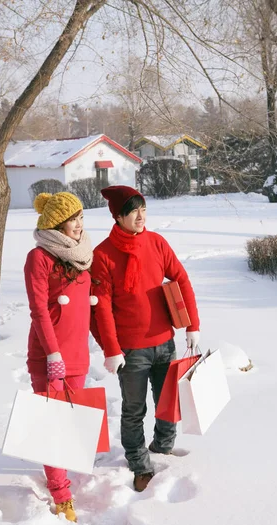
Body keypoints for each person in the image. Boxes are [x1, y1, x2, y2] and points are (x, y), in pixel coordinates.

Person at [91, 185, 200, 492]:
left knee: (168, 403)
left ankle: (163, 447)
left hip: (165, 340)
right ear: (118, 216)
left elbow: (181, 278)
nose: (140, 216)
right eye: (133, 211)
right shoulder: (102, 254)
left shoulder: (156, 242)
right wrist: (111, 349)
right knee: (134, 409)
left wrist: (192, 324)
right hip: (131, 349)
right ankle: (139, 463)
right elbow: (102, 309)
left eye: (143, 210)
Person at [24, 191, 94, 522]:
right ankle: (62, 494)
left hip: (78, 354)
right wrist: (52, 353)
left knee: (68, 425)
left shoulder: (82, 255)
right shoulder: (39, 257)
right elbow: (39, 308)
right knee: (53, 424)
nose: (79, 225)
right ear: (56, 223)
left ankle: (60, 475)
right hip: (50, 354)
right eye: (72, 220)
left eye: (81, 218)